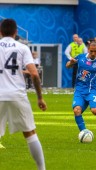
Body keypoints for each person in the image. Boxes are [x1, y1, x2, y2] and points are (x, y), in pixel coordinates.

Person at [0, 19, 47, 169]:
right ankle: (42, 168)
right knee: (30, 133)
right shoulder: (22, 48)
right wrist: (40, 97)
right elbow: (34, 74)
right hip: (17, 95)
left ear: (0, 32)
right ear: (16, 32)